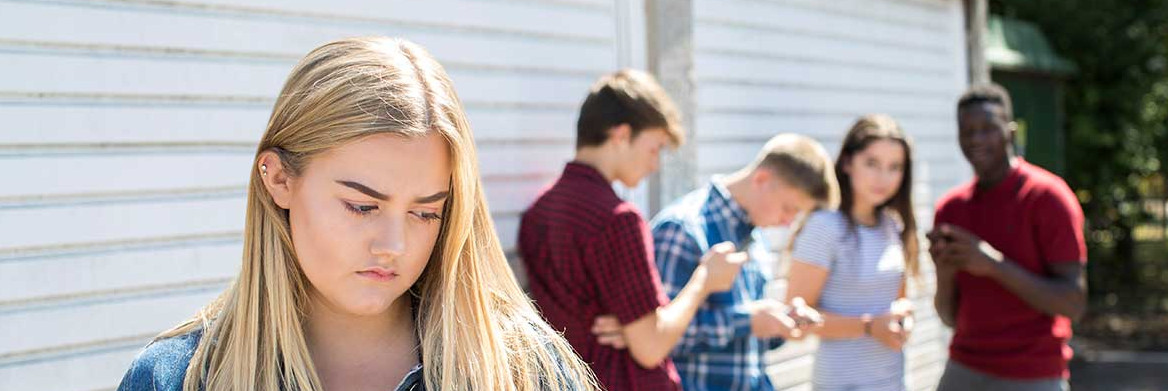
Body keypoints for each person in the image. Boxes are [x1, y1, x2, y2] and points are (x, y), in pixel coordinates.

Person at [117, 37, 598, 391]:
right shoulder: (175, 378)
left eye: (426, 213)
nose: (394, 245)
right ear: (279, 179)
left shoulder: (525, 370)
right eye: (362, 206)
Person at [519, 69, 746, 391]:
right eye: (654, 149)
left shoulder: (537, 214)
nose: (655, 165)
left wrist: (630, 328)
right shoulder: (619, 219)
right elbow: (651, 346)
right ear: (621, 135)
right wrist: (704, 280)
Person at [595, 133, 837, 391]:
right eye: (789, 208)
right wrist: (748, 321)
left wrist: (781, 323)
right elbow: (653, 340)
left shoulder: (757, 237)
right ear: (762, 180)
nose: (789, 222)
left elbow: (744, 346)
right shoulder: (682, 229)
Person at [931, 83, 1086, 391]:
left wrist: (991, 264)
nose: (976, 139)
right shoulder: (951, 208)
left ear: (1011, 132)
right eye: (967, 130)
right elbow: (950, 318)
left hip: (1033, 373)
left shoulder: (1047, 197)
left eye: (987, 128)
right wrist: (945, 272)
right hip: (964, 367)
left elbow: (1073, 303)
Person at [787, 114, 920, 391]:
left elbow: (897, 301)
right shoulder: (824, 227)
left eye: (895, 167)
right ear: (848, 162)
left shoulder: (893, 226)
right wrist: (869, 326)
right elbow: (795, 319)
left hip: (893, 382)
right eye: (872, 163)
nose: (883, 177)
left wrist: (903, 315)